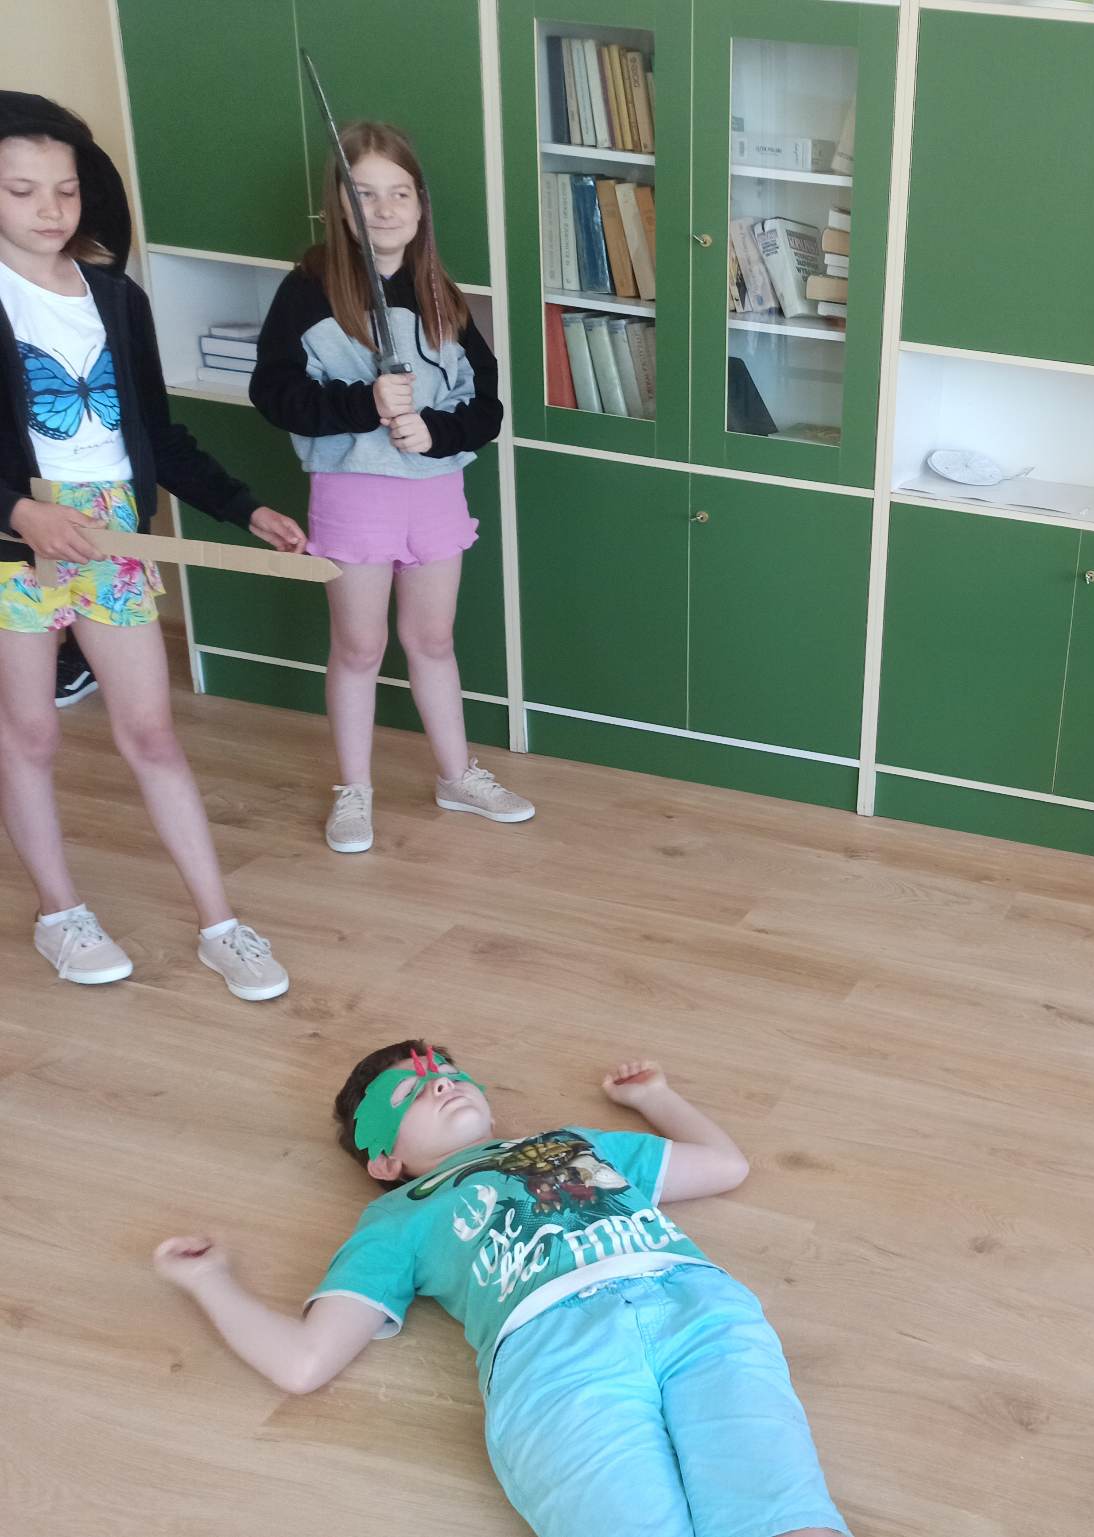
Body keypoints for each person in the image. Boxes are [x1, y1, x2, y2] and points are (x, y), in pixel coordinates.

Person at [154, 1041, 848, 1537]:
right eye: (411, 1093)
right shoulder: (398, 1216)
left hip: (696, 1310)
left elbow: (725, 1165)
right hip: (554, 1356)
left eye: (449, 1074)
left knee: (788, 1515)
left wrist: (654, 1097)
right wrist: (210, 1281)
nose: (441, 1084)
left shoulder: (572, 1140)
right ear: (384, 1160)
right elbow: (305, 1362)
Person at [0, 92, 303, 1000]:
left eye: (65, 190)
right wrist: (18, 513)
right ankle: (60, 912)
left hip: (111, 531)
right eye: (21, 190)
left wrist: (244, 508)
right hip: (14, 541)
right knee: (29, 733)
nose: (50, 209)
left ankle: (221, 923)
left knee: (151, 731)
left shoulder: (116, 299)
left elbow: (159, 438)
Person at [250, 121, 530, 855]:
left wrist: (436, 432)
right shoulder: (307, 290)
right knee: (360, 645)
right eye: (365, 194)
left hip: (434, 492)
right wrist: (362, 404)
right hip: (354, 492)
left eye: (399, 193)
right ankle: (354, 790)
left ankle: (456, 775)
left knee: (432, 639)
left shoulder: (443, 295)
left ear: (420, 203)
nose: (383, 209)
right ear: (340, 206)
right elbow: (274, 393)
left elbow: (487, 406)